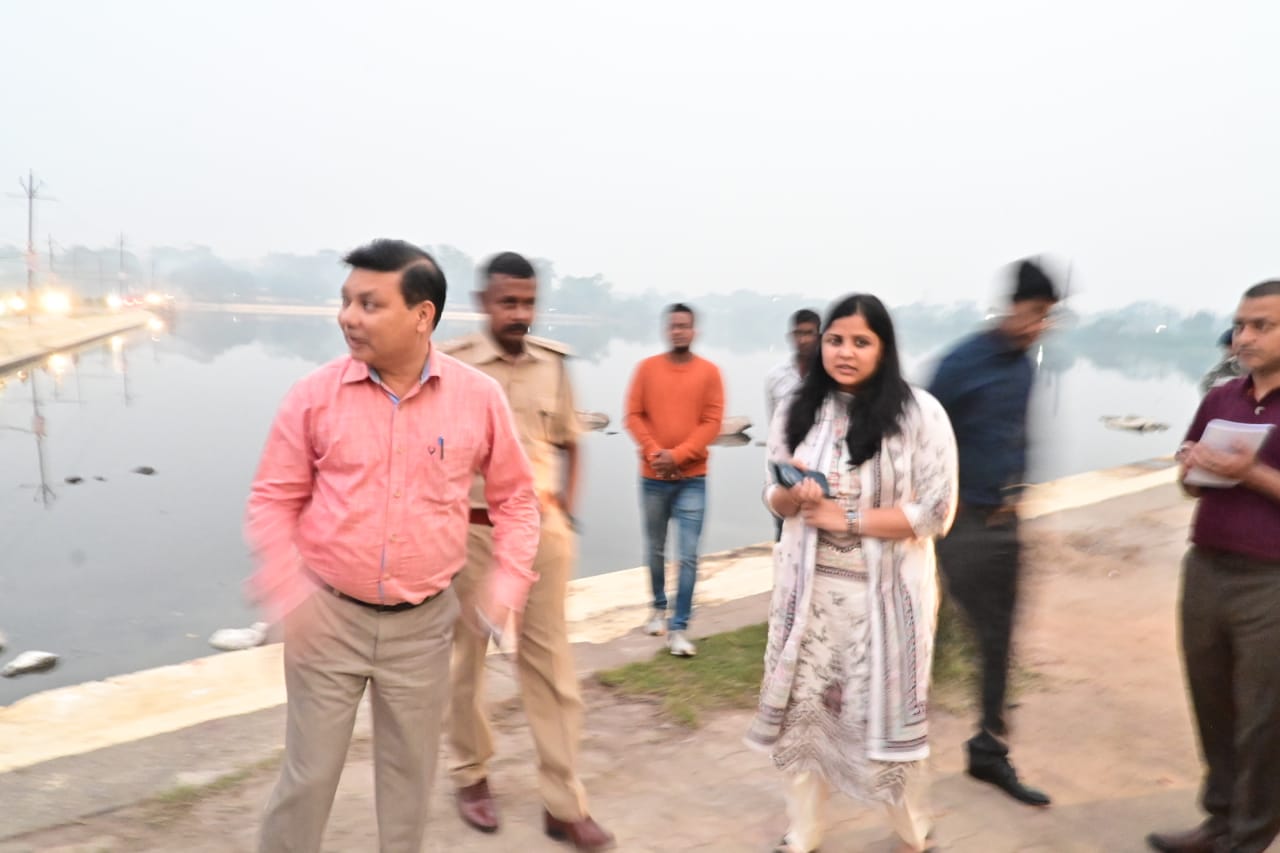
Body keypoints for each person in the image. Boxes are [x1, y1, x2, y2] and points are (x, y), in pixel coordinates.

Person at [245, 239, 540, 853]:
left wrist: (507, 584)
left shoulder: (478, 398)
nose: (348, 317)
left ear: (422, 315)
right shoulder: (313, 396)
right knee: (307, 780)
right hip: (327, 620)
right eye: (347, 301)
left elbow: (516, 499)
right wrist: (287, 590)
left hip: (423, 628)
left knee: (408, 787)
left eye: (370, 304)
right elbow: (273, 499)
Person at [748, 294, 958, 853]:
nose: (845, 352)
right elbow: (771, 491)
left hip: (884, 604)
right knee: (804, 719)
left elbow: (936, 513)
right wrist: (791, 498)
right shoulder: (797, 409)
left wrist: (847, 519)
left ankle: (912, 831)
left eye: (861, 342)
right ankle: (804, 832)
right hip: (810, 600)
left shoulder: (919, 415)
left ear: (883, 349)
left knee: (889, 724)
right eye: (835, 340)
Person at [440, 251, 614, 852]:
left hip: (541, 532)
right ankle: (470, 775)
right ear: (483, 303)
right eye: (508, 302)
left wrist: (565, 509)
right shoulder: (454, 366)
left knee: (551, 667)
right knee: (465, 663)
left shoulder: (553, 365)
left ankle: (563, 804)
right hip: (473, 534)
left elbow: (571, 442)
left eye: (528, 302)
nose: (519, 313)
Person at [1147, 280, 1280, 853]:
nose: (1243, 337)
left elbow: (1254, 479)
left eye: (1261, 326)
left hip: (1269, 580)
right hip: (1206, 566)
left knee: (1263, 720)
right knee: (1212, 704)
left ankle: (1249, 838)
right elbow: (1191, 486)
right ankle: (1219, 821)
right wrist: (1192, 469)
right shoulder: (1222, 398)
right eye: (1241, 325)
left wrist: (1252, 474)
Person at [926, 259, 1058, 808]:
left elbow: (1013, 437)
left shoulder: (1024, 367)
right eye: (1033, 313)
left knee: (999, 639)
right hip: (960, 525)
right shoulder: (962, 363)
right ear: (1011, 306)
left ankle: (988, 749)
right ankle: (887, 744)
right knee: (927, 634)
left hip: (1006, 525)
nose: (1038, 326)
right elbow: (921, 434)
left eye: (1047, 317)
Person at [623, 303, 724, 657]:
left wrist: (677, 456)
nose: (679, 331)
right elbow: (633, 416)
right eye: (674, 326)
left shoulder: (710, 373)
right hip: (653, 478)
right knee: (655, 548)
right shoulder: (646, 369)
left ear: (694, 330)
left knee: (689, 555)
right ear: (667, 330)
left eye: (685, 326)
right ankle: (657, 608)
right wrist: (656, 453)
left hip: (693, 479)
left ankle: (679, 628)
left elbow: (712, 422)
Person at [765, 309, 821, 540]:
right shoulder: (776, 377)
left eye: (809, 333)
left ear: (819, 336)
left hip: (819, 469)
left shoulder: (829, 377)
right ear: (791, 336)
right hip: (786, 468)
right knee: (784, 533)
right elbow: (773, 428)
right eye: (799, 333)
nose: (804, 339)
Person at [1199, 326, 1244, 396]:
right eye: (1225, 348)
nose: (1226, 352)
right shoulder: (1226, 366)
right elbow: (1207, 384)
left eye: (1228, 348)